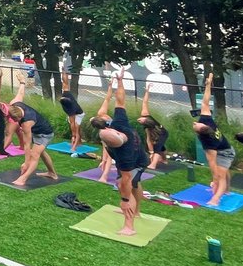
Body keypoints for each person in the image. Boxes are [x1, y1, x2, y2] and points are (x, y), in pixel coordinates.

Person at [90, 73, 148, 236]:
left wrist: (124, 200)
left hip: (138, 162)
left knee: (127, 188)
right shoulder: (119, 124)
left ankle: (129, 226)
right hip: (137, 157)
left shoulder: (124, 155)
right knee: (133, 183)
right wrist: (120, 82)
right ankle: (136, 212)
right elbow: (120, 100)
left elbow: (126, 179)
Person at [9, 77, 59, 186]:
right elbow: (20, 94)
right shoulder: (14, 105)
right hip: (37, 130)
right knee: (40, 152)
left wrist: (26, 163)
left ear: (20, 116)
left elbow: (27, 144)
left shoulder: (27, 123)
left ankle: (23, 179)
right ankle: (52, 173)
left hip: (45, 134)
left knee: (34, 155)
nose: (15, 122)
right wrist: (22, 82)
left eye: (16, 120)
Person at [193, 73, 233, 207]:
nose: (194, 123)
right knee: (224, 172)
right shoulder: (206, 120)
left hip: (225, 152)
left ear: (201, 132)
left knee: (220, 176)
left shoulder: (209, 144)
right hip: (222, 146)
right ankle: (226, 190)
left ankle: (216, 199)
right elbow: (205, 101)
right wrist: (208, 84)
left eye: (196, 126)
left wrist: (215, 181)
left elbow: (212, 165)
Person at [137, 90, 169, 170]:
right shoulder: (145, 114)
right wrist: (147, 91)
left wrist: (152, 152)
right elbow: (145, 102)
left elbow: (149, 140)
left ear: (145, 123)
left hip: (163, 133)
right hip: (158, 132)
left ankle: (153, 165)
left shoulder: (147, 128)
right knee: (160, 147)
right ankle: (164, 160)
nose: (139, 120)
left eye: (141, 121)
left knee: (157, 148)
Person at [60, 70, 85, 152]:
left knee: (76, 131)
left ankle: (74, 147)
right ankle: (79, 142)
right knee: (75, 130)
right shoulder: (66, 94)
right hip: (73, 114)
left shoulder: (71, 110)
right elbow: (65, 82)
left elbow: (73, 124)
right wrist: (64, 73)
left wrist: (73, 136)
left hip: (79, 114)